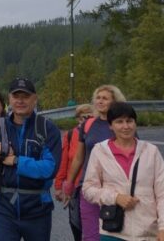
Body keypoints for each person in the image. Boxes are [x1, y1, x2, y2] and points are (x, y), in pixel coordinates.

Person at [0, 78, 62, 241]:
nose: (20, 101)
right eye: (16, 96)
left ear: (34, 99)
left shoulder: (47, 128)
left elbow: (50, 168)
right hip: (4, 207)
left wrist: (16, 161)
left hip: (38, 209)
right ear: (9, 99)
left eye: (25, 96)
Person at [82, 102, 164, 241]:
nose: (126, 126)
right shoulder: (99, 151)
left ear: (135, 123)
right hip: (113, 232)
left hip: (147, 233)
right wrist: (115, 198)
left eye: (129, 121)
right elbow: (88, 189)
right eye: (119, 122)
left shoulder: (151, 151)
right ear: (110, 125)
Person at [62, 84, 126, 241]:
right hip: (89, 188)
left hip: (115, 189)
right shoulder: (88, 125)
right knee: (90, 236)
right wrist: (69, 184)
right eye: (98, 97)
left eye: (105, 98)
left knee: (114, 235)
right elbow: (78, 157)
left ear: (114, 101)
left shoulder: (123, 125)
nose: (100, 101)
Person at [54, 103, 93, 241]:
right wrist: (59, 186)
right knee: (76, 225)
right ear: (77, 119)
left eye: (89, 117)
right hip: (76, 189)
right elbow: (63, 162)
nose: (85, 121)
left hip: (94, 188)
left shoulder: (98, 135)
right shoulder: (70, 135)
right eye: (82, 118)